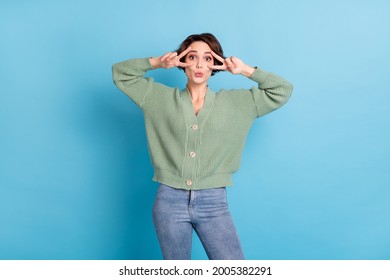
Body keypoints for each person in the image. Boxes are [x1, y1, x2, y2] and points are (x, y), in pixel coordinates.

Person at [112, 33, 293, 260]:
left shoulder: (239, 103)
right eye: (192, 57)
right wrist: (158, 62)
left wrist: (245, 70)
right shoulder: (157, 98)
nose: (199, 64)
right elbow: (121, 74)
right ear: (182, 61)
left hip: (214, 202)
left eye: (208, 58)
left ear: (216, 64)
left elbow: (282, 90)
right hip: (168, 201)